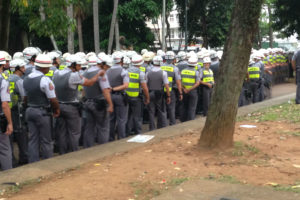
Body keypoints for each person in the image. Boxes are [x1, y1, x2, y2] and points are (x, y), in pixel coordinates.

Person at [53, 55, 105, 154]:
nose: (80, 67)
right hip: (71, 107)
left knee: (62, 132)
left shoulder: (57, 73)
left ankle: (63, 153)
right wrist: (98, 74)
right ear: (73, 65)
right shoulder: (73, 75)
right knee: (74, 132)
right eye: (79, 65)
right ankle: (74, 153)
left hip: (59, 105)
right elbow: (89, 83)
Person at [23, 54, 60, 163]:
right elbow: (53, 99)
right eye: (48, 67)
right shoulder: (45, 80)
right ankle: (47, 163)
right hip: (42, 112)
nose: (49, 69)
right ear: (43, 68)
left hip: (30, 110)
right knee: (46, 140)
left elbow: (25, 98)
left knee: (33, 139)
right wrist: (56, 109)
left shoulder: (26, 78)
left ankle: (33, 163)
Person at [82, 55, 113, 147]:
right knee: (103, 127)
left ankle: (88, 149)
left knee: (89, 127)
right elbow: (105, 91)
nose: (107, 68)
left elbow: (84, 89)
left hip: (88, 102)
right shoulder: (101, 73)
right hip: (99, 104)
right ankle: (103, 150)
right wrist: (110, 104)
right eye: (107, 66)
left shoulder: (86, 72)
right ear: (103, 64)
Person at [8, 59, 28, 165]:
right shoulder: (18, 80)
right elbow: (24, 96)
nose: (25, 69)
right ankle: (24, 158)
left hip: (8, 109)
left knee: (9, 136)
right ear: (17, 68)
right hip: (18, 111)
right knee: (21, 133)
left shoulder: (7, 78)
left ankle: (11, 160)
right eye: (23, 67)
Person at [106, 52, 129, 141]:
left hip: (109, 96)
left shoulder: (107, 71)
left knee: (111, 119)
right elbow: (126, 85)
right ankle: (121, 139)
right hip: (119, 96)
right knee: (121, 119)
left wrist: (111, 89)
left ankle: (111, 139)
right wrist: (114, 89)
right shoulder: (123, 71)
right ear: (121, 60)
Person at [126, 54, 150, 135]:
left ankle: (128, 132)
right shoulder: (141, 73)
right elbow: (144, 88)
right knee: (137, 117)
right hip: (136, 97)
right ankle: (138, 133)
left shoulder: (126, 71)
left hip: (127, 96)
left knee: (128, 116)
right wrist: (147, 98)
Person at [146, 56, 170, 131]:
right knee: (161, 110)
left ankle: (152, 127)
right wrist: (168, 96)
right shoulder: (164, 73)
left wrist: (146, 96)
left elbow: (146, 85)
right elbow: (166, 85)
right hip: (160, 93)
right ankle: (162, 126)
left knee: (151, 111)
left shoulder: (148, 73)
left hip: (150, 92)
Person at [161, 51, 182, 126]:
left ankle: (163, 125)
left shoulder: (161, 67)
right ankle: (172, 123)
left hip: (161, 90)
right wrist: (180, 93)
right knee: (171, 108)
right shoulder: (175, 69)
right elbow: (178, 82)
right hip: (170, 90)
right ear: (173, 59)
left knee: (162, 108)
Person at [0, 52, 13, 170]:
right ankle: (9, 178)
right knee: (4, 150)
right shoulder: (3, 81)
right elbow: (5, 104)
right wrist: (9, 122)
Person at [180, 56, 201, 122]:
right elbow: (197, 83)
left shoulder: (182, 71)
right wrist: (189, 89)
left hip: (184, 91)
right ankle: (190, 121)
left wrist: (184, 89)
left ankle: (183, 120)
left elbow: (179, 82)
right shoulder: (196, 72)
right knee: (192, 107)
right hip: (193, 92)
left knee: (184, 106)